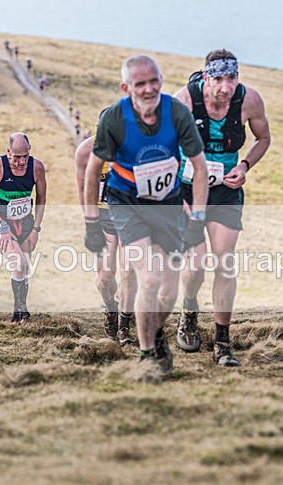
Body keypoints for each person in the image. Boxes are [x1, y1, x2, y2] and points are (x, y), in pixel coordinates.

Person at [83, 55, 209, 373]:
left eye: (154, 81)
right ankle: (147, 354)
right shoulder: (114, 119)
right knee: (148, 278)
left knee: (168, 292)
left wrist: (197, 218)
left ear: (161, 81)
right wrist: (91, 222)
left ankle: (156, 332)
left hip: (166, 205)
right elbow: (92, 171)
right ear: (127, 88)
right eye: (140, 84)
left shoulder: (176, 113)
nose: (149, 89)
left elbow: (199, 167)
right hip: (126, 203)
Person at [172, 49, 271, 367]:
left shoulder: (249, 100)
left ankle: (222, 342)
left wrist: (244, 166)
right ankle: (189, 310)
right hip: (187, 190)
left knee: (224, 263)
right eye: (219, 79)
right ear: (206, 77)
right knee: (196, 264)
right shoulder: (184, 101)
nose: (226, 87)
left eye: (232, 78)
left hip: (225, 192)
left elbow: (263, 138)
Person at [75, 135, 137, 347]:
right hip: (103, 218)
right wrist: (90, 223)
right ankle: (111, 308)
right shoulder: (85, 151)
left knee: (129, 271)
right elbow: (82, 190)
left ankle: (124, 326)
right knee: (105, 277)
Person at [0, 133, 47, 323]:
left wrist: (36, 229)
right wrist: (1, 227)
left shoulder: (37, 167)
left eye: (25, 156)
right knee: (18, 264)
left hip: (26, 222)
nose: (21, 162)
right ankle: (19, 311)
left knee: (25, 268)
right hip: (2, 223)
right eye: (17, 157)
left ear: (30, 150)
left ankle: (22, 313)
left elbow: (41, 199)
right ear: (8, 152)